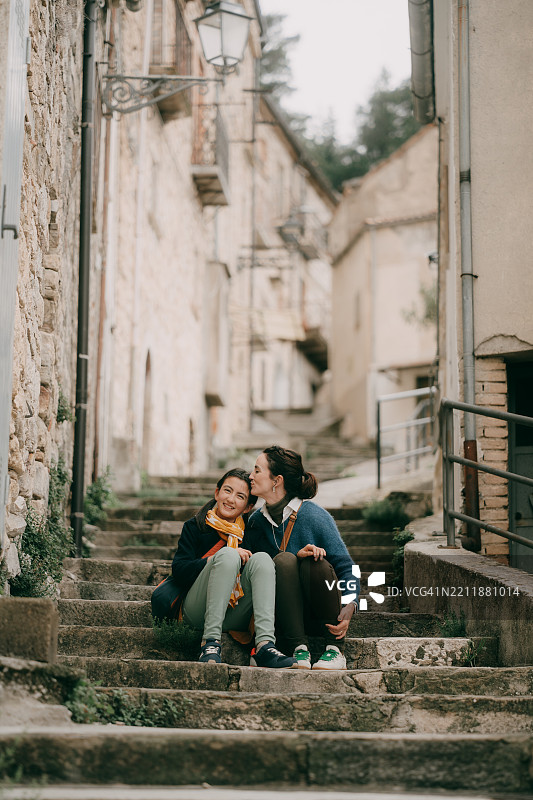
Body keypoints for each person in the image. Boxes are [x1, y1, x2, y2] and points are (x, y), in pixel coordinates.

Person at [244, 446, 359, 671]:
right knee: (285, 561)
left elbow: (347, 568)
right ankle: (299, 649)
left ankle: (335, 650)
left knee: (315, 560)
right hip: (282, 619)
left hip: (321, 611)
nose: (250, 476)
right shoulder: (255, 523)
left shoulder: (315, 516)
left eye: (257, 471)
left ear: (276, 480)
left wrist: (350, 604)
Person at [169, 468, 297, 669]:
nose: (230, 499)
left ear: (247, 507)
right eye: (227, 491)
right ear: (216, 493)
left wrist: (303, 552)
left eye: (240, 496)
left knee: (263, 559)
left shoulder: (251, 534)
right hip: (197, 611)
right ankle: (210, 643)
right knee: (229, 554)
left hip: (235, 614)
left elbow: (273, 563)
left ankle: (264, 645)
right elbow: (180, 571)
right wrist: (218, 558)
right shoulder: (195, 527)